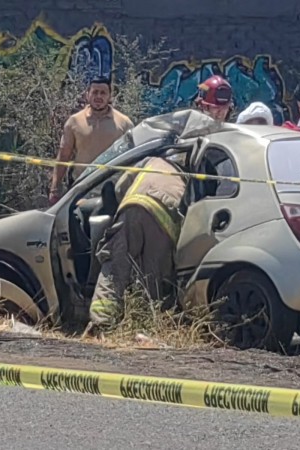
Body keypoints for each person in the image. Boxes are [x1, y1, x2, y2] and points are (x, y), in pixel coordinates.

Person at [88, 156, 186, 330]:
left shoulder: (151, 161)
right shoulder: (186, 177)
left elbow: (118, 188)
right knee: (153, 278)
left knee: (115, 267)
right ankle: (147, 326)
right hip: (164, 225)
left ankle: (100, 323)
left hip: (132, 210)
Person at [50, 76, 134, 205]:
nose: (98, 96)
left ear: (110, 96)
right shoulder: (74, 122)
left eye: (103, 93)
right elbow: (64, 155)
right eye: (95, 92)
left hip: (114, 191)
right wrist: (55, 189)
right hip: (81, 189)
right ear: (87, 95)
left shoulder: (124, 123)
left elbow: (133, 159)